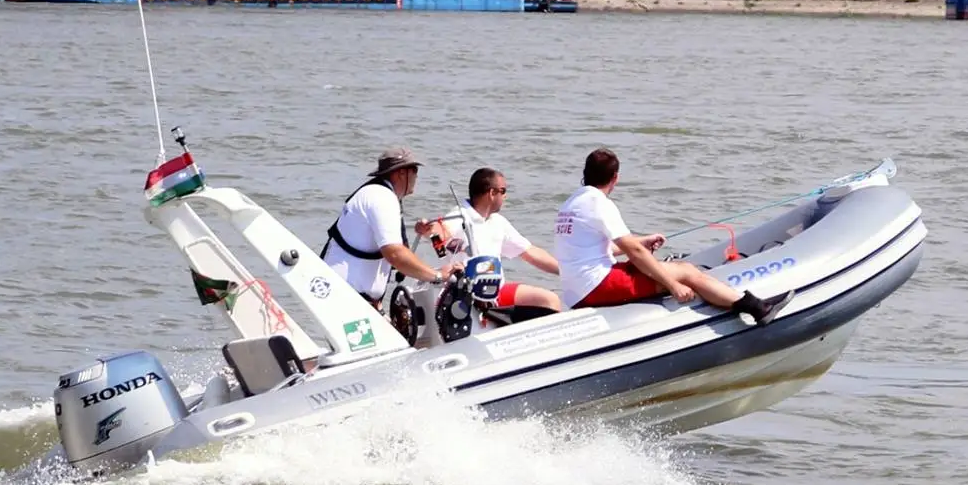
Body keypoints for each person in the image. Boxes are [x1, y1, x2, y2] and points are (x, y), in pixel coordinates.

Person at [555, 147, 790, 325]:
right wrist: (673, 285)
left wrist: (642, 241)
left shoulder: (570, 204)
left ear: (585, 174)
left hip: (575, 291)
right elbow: (634, 253)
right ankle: (759, 309)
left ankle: (744, 302)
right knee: (685, 271)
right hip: (596, 285)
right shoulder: (599, 203)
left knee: (664, 266)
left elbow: (597, 248)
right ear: (615, 178)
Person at [321, 148, 459, 309]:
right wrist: (438, 276)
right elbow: (395, 254)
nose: (416, 176)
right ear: (400, 173)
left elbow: (396, 257)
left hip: (350, 296)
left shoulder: (378, 194)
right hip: (345, 298)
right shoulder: (381, 198)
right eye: (414, 170)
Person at [415, 167, 563, 313]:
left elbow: (529, 252)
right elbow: (441, 230)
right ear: (492, 193)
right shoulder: (459, 217)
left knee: (550, 300)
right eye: (503, 191)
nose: (505, 196)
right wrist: (428, 229)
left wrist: (565, 271)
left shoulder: (498, 222)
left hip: (496, 290)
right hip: (467, 294)